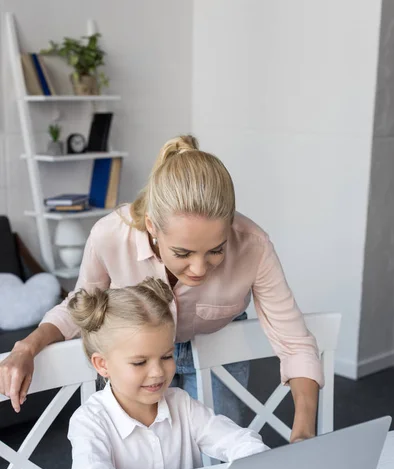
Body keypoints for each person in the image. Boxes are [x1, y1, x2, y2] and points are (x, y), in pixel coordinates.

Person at [0, 135, 323, 440]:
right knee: (137, 462)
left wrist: (304, 434)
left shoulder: (254, 245)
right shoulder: (111, 235)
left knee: (219, 463)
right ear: (152, 226)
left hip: (216, 351)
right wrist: (26, 347)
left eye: (216, 250)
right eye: (182, 253)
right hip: (135, 356)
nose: (199, 269)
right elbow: (79, 306)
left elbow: (295, 343)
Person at [67, 278, 268, 469]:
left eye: (166, 356)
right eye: (139, 362)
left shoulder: (181, 404)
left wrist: (258, 466)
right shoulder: (90, 420)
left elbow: (238, 441)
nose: (157, 373)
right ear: (102, 364)